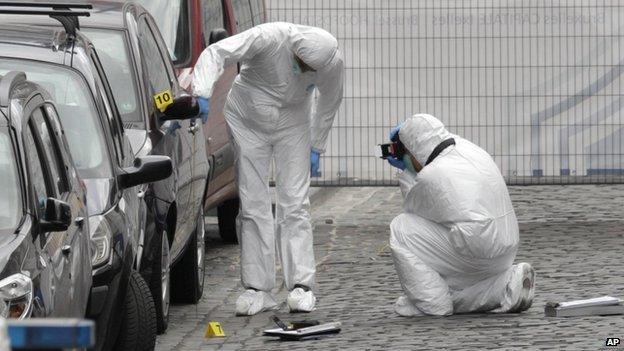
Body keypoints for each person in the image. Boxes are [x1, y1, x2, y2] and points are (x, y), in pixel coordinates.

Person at [192, 22, 344, 315]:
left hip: (293, 122)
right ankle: (257, 288)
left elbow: (329, 100)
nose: (303, 70)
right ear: (294, 50)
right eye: (300, 63)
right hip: (247, 118)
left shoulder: (330, 64)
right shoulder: (269, 37)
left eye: (310, 68)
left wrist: (317, 144)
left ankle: (301, 285)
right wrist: (201, 90)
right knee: (252, 203)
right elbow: (217, 51)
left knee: (295, 204)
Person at [386, 114, 535, 316]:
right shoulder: (472, 151)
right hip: (505, 251)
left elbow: (414, 210)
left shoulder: (432, 175)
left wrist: (407, 173)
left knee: (401, 229)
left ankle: (434, 304)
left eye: (405, 153)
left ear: (414, 151)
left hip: (476, 251)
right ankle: (506, 285)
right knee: (455, 240)